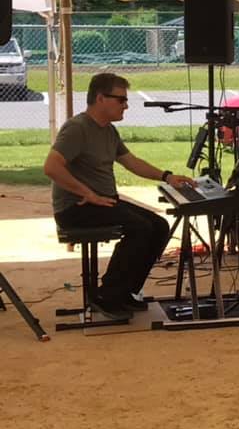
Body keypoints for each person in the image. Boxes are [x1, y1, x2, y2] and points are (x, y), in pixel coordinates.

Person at [43, 73, 195, 320]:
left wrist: (167, 176)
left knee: (159, 226)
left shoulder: (108, 131)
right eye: (121, 100)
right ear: (100, 98)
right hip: (76, 207)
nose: (125, 105)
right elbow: (51, 167)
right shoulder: (77, 128)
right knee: (140, 228)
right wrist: (88, 193)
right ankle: (107, 295)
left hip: (102, 201)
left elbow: (131, 162)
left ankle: (124, 291)